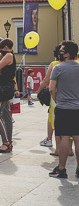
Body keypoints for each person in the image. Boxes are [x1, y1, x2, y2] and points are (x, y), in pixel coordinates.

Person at [48, 41, 79, 178]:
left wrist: (57, 100)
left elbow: (51, 88)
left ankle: (61, 169)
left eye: (61, 50)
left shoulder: (58, 68)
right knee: (78, 138)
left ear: (67, 54)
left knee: (64, 138)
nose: (59, 52)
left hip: (63, 107)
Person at [0, 39, 18, 153]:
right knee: (7, 116)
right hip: (6, 88)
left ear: (6, 47)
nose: (0, 51)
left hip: (3, 89)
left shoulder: (8, 55)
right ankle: (9, 142)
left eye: (1, 49)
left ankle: (6, 142)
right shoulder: (9, 56)